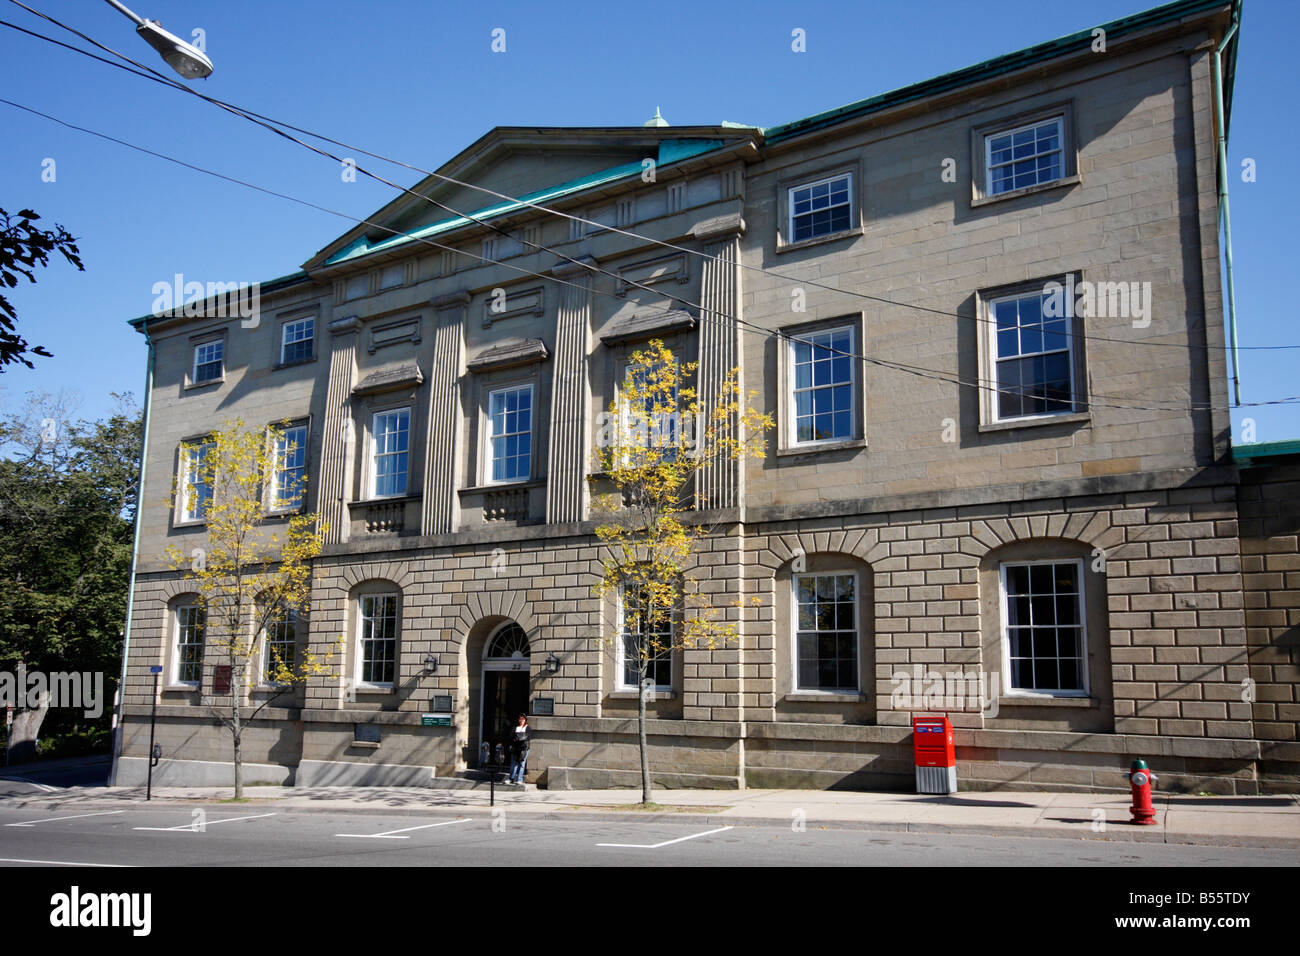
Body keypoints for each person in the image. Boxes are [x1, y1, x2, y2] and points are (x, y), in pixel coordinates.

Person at [508, 712, 531, 784]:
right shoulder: (515, 727)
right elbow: (511, 736)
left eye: (523, 719)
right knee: (513, 764)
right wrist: (516, 739)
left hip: (524, 748)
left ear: (525, 720)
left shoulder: (527, 728)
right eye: (520, 719)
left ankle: (519, 779)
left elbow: (528, 737)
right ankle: (511, 778)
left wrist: (518, 738)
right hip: (515, 748)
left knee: (521, 764)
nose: (521, 720)